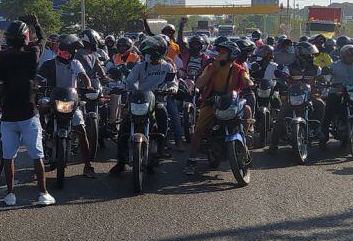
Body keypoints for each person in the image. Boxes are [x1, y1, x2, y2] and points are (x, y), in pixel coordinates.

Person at [0, 16, 53, 206]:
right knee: (37, 155)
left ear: (8, 39)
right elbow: (42, 40)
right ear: (26, 38)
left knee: (8, 157)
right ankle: (43, 194)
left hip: (8, 116)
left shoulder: (2, 58)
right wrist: (37, 24)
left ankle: (10, 195)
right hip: (29, 114)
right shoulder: (32, 54)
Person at [109, 35, 177, 176]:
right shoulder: (140, 67)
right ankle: (121, 162)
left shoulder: (167, 67)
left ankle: (160, 148)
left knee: (163, 116)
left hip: (157, 100)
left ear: (158, 53)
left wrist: (172, 89)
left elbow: (173, 82)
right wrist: (127, 88)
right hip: (139, 99)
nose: (147, 55)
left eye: (150, 53)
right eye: (146, 53)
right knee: (124, 128)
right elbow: (130, 81)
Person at [184, 39, 252, 174]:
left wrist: (250, 83)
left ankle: (241, 141)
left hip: (232, 100)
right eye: (219, 51)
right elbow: (199, 84)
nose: (219, 54)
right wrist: (213, 69)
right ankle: (191, 160)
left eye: (223, 52)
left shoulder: (239, 68)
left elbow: (246, 79)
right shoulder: (211, 67)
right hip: (212, 100)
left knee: (247, 110)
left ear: (232, 54)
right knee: (199, 128)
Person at [39, 34, 97, 179]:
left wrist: (88, 86)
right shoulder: (49, 64)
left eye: (70, 51)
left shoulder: (75, 64)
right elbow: (38, 77)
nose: (68, 53)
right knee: (41, 108)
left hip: (71, 101)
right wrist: (36, 84)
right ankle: (44, 137)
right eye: (65, 50)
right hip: (53, 100)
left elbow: (84, 76)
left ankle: (88, 166)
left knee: (81, 130)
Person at [269, 41, 323, 153]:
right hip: (293, 97)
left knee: (322, 105)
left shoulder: (316, 68)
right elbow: (283, 76)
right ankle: (273, 143)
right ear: (300, 54)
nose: (311, 57)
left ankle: (322, 133)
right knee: (280, 116)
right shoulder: (289, 67)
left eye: (312, 54)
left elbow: (322, 79)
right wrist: (282, 78)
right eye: (308, 54)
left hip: (310, 97)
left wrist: (323, 83)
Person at [322, 44, 353, 146]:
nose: (351, 57)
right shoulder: (335, 65)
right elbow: (327, 74)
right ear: (342, 56)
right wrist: (327, 80)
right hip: (337, 91)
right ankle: (324, 136)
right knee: (328, 111)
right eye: (348, 55)